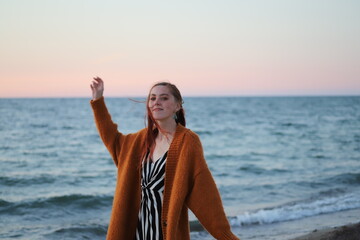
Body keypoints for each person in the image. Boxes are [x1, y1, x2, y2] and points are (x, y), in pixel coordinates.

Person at [90, 77, 240, 240]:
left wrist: (226, 236)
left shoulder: (187, 142)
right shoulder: (138, 141)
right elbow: (111, 137)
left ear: (177, 105)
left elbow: (204, 192)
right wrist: (97, 100)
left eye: (164, 98)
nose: (157, 102)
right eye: (152, 98)